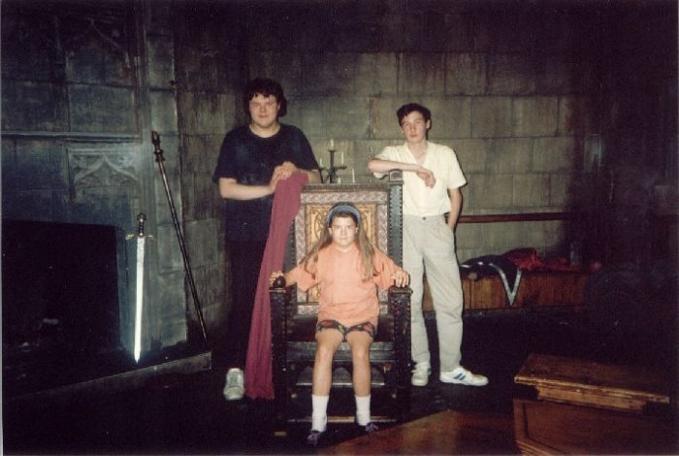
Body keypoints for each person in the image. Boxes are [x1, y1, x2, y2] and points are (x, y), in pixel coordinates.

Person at [213, 78, 320, 401]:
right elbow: (226, 188)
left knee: (287, 301)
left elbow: (317, 179)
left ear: (279, 105)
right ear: (249, 106)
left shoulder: (294, 136)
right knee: (245, 301)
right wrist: (270, 190)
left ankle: (279, 368)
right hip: (246, 234)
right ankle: (236, 371)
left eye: (269, 102)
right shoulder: (235, 140)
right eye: (256, 103)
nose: (262, 109)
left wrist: (296, 170)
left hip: (288, 235)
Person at [367, 103, 488, 388]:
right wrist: (413, 168)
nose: (412, 128)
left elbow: (455, 195)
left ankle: (450, 366)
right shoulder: (394, 153)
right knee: (410, 298)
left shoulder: (444, 154)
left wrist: (449, 229)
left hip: (436, 225)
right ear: (401, 128)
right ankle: (421, 362)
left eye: (417, 122)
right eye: (406, 123)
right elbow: (373, 165)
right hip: (406, 226)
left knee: (451, 300)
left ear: (428, 124)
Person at [270, 202, 409, 446]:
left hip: (362, 317)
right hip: (331, 317)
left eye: (348, 227)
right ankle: (317, 421)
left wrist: (400, 275)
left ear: (356, 229)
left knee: (360, 351)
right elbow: (295, 275)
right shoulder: (321, 255)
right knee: (323, 351)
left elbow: (396, 273)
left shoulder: (369, 253)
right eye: (338, 227)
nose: (343, 232)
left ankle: (364, 417)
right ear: (330, 230)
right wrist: (280, 277)